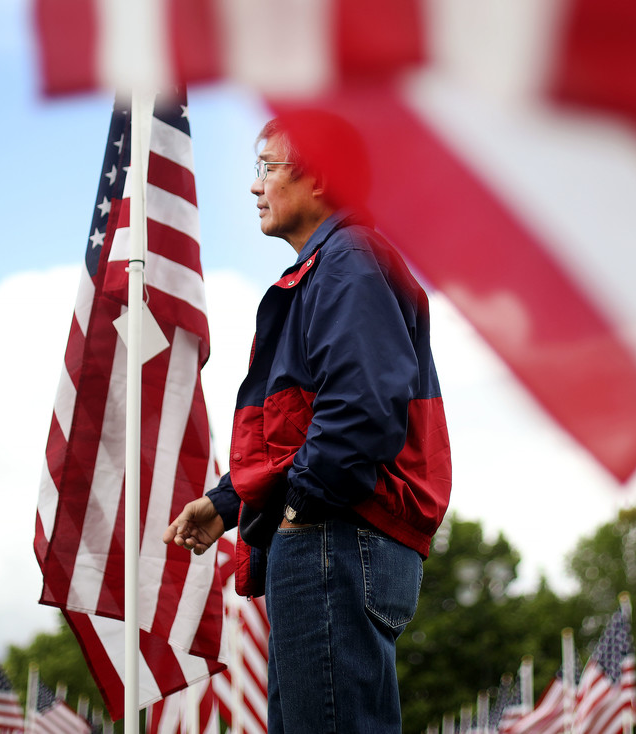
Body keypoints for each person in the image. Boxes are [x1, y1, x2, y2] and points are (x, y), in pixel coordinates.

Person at [163, 109, 453, 733]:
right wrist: (227, 502)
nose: (253, 186)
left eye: (267, 168)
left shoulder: (349, 260)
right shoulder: (334, 267)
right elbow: (295, 428)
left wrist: (300, 509)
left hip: (334, 535)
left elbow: (360, 410)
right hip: (334, 535)